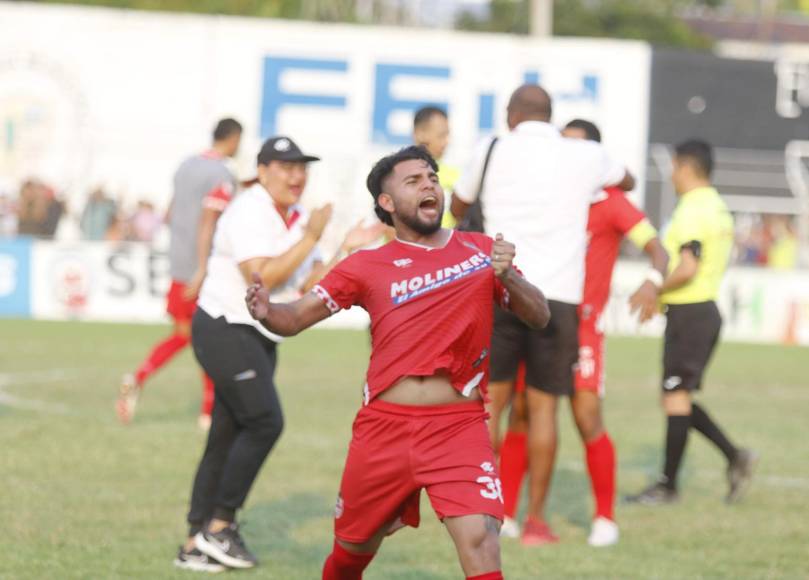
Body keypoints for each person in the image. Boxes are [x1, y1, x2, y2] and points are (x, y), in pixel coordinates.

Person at [245, 145, 551, 579]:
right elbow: (293, 318)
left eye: (432, 177)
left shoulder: (483, 251)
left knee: (482, 540)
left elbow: (539, 316)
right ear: (386, 203)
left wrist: (509, 276)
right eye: (414, 181)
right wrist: (265, 310)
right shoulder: (364, 265)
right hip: (384, 430)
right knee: (351, 552)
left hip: (458, 427)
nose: (429, 184)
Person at [176, 135, 382, 572]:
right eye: (286, 167)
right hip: (223, 327)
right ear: (264, 170)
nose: (297, 176)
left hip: (256, 336)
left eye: (302, 167)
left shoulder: (297, 216)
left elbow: (308, 286)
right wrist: (310, 238)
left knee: (227, 434)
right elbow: (263, 279)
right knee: (265, 421)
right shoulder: (248, 210)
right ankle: (220, 526)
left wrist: (346, 247)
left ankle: (197, 541)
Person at [450, 85, 635, 544]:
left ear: (512, 117)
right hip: (558, 298)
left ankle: (483, 511)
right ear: (550, 118)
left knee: (491, 405)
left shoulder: (492, 148)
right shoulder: (583, 154)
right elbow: (626, 178)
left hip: (499, 286)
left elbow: (457, 206)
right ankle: (536, 521)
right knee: (543, 409)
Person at [496, 119, 669, 546]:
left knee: (585, 415)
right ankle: (507, 515)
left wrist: (653, 280)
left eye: (574, 148)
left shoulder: (610, 201)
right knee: (521, 411)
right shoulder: (544, 194)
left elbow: (656, 245)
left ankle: (605, 518)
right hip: (543, 320)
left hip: (585, 327)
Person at [626, 139, 757, 505]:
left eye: (673, 167)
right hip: (701, 311)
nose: (670, 174)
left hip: (691, 312)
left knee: (675, 397)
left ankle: (669, 486)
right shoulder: (717, 207)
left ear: (685, 166)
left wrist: (654, 289)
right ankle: (734, 457)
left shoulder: (692, 210)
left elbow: (687, 267)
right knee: (675, 397)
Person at [116, 118, 242, 429]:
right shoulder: (222, 174)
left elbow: (171, 213)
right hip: (204, 268)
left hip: (178, 266)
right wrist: (202, 268)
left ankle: (139, 377)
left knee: (186, 335)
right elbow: (208, 223)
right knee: (213, 338)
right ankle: (208, 412)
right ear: (234, 138)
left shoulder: (185, 166)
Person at [412, 106, 460, 228]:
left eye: (447, 135)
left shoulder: (456, 176)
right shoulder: (396, 173)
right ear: (420, 134)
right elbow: (389, 227)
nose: (446, 141)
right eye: (441, 135)